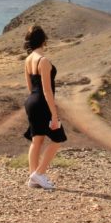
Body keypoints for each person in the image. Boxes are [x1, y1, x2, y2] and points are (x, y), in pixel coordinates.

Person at [22, 25, 67, 190]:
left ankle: (33, 179)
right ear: (44, 41)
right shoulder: (44, 61)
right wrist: (54, 115)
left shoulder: (27, 60)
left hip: (31, 101)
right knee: (58, 139)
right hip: (42, 102)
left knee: (37, 141)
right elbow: (47, 91)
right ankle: (38, 174)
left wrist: (35, 102)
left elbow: (30, 87)